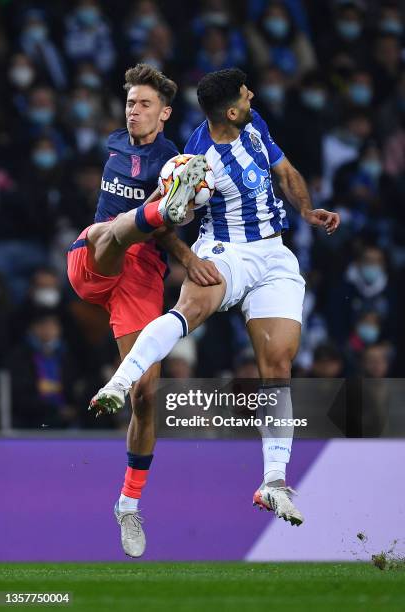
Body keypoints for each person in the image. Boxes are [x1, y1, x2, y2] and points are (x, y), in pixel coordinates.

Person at [91, 68, 340, 527]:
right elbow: (165, 219)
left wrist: (305, 209)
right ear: (230, 109)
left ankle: (272, 482)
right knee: (188, 311)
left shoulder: (254, 123)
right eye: (246, 95)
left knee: (279, 364)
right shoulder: (197, 162)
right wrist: (188, 258)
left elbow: (285, 171)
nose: (253, 97)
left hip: (274, 254)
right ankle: (120, 382)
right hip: (226, 252)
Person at [67, 63, 220, 558]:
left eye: (145, 104)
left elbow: (170, 235)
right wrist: (182, 244)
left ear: (165, 113)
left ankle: (128, 505)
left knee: (145, 395)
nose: (134, 111)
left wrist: (186, 255)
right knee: (106, 231)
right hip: (93, 258)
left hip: (141, 275)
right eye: (131, 103)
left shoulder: (172, 158)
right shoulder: (114, 143)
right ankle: (159, 208)